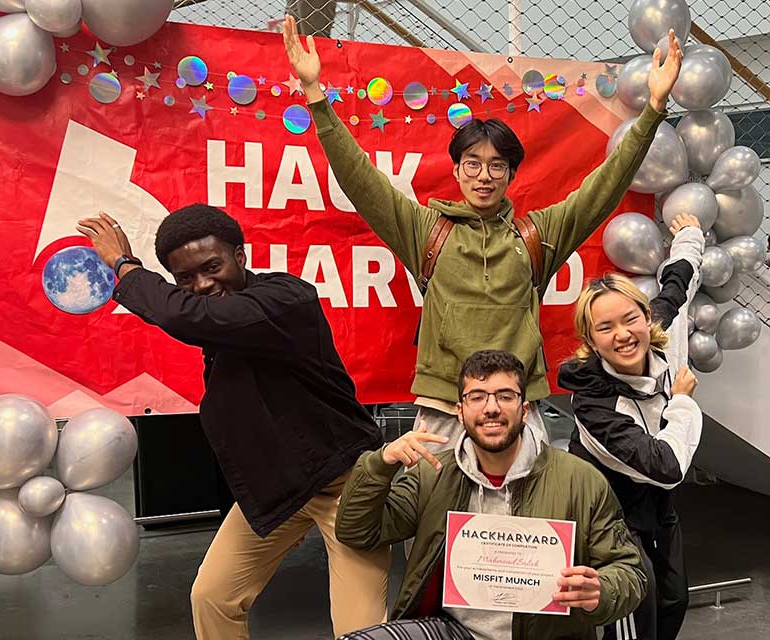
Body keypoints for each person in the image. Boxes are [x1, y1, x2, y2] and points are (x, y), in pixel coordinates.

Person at [283, 16, 684, 450]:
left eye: (497, 166)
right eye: (472, 163)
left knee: (527, 518)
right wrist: (315, 96)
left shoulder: (537, 236)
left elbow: (604, 187)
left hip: (520, 407)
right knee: (431, 515)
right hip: (442, 407)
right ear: (456, 170)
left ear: (511, 173)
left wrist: (654, 109)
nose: (484, 176)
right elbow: (360, 179)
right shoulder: (426, 231)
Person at [76, 206, 389, 639]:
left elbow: (186, 316)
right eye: (186, 279)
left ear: (240, 255)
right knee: (212, 597)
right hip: (281, 487)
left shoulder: (286, 299)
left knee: (362, 630)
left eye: (212, 267)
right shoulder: (221, 320)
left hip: (347, 484)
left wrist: (125, 267)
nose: (203, 284)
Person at [334, 349, 647, 640]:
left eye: (505, 396)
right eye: (477, 397)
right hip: (454, 631)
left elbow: (629, 571)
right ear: (460, 410)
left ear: (524, 409)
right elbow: (357, 531)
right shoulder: (433, 474)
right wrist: (380, 464)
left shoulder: (580, 480)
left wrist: (600, 592)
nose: (492, 407)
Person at [558, 213, 704, 640]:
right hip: (609, 514)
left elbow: (679, 283)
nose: (622, 334)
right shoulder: (594, 402)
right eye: (605, 327)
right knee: (634, 616)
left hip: (657, 506)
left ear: (645, 317)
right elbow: (667, 464)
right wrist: (680, 403)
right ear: (590, 338)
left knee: (674, 601)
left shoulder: (659, 331)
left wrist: (690, 235)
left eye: (629, 319)